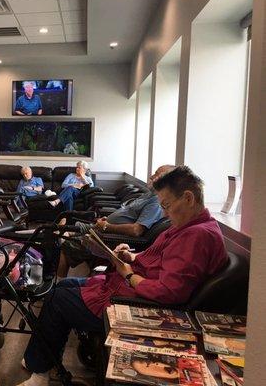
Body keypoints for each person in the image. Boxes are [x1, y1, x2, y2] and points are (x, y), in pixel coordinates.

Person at [17, 166, 228, 386]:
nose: (164, 212)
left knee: (57, 300)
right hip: (132, 287)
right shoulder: (186, 227)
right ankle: (48, 362)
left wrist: (128, 276)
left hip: (142, 304)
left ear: (188, 198)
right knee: (63, 286)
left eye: (166, 205)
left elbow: (169, 292)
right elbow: (154, 258)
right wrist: (131, 256)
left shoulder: (197, 236)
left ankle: (40, 371)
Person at [56, 165, 175, 278]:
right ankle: (65, 234)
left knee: (66, 246)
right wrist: (107, 221)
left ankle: (58, 284)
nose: (151, 176)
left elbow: (136, 230)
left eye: (157, 174)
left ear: (168, 181)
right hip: (105, 228)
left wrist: (107, 226)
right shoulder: (149, 195)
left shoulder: (156, 203)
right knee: (72, 229)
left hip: (112, 237)